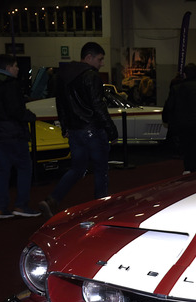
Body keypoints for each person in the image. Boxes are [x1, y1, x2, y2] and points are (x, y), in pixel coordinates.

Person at [38, 42, 118, 218]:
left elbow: (60, 104)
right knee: (100, 169)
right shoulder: (91, 76)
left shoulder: (63, 76)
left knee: (77, 168)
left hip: (75, 131)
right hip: (93, 129)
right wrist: (111, 131)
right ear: (89, 57)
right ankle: (100, 208)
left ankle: (52, 199)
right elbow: (98, 105)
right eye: (100, 59)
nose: (102, 63)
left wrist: (65, 127)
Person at [0, 54, 41, 219]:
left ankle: (0, 208)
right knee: (24, 167)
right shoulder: (10, 84)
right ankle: (21, 205)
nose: (17, 69)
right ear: (7, 68)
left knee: (2, 169)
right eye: (15, 66)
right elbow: (16, 110)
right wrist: (30, 116)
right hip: (11, 132)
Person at [162, 63, 196, 174]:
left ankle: (188, 168)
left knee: (187, 149)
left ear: (184, 74)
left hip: (182, 125)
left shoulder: (176, 88)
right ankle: (192, 168)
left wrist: (166, 119)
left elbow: (169, 106)